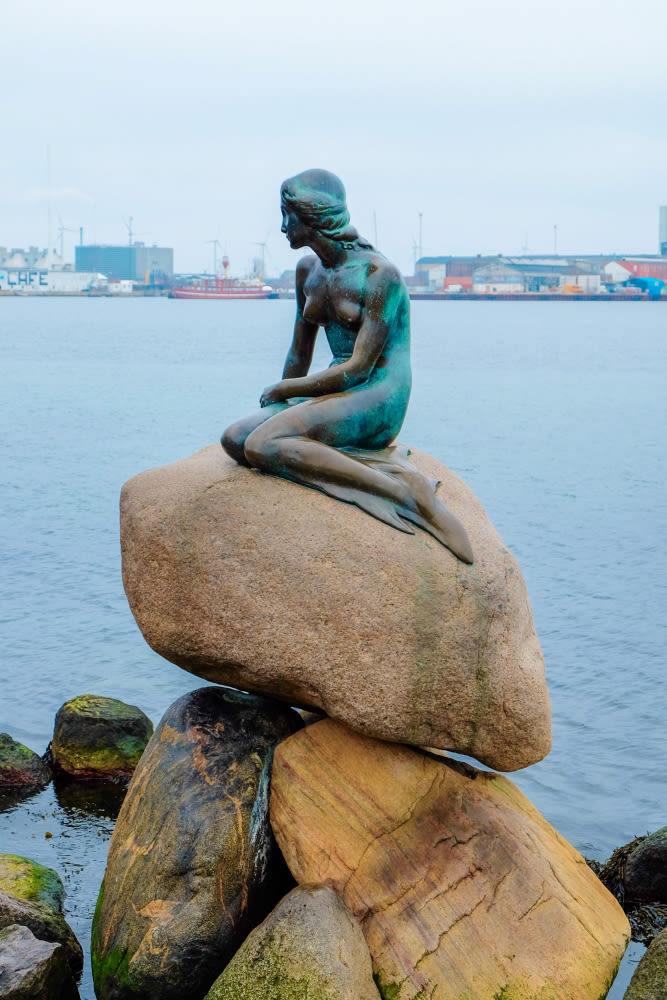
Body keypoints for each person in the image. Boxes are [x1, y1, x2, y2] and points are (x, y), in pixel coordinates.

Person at [221, 169, 473, 564]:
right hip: (337, 389)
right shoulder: (308, 272)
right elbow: (298, 355)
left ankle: (405, 493)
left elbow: (357, 369)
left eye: (289, 215)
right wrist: (279, 409)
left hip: (377, 392)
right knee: (236, 439)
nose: (284, 226)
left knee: (263, 444)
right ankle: (337, 460)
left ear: (315, 216)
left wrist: (285, 393)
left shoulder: (378, 275)